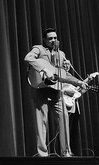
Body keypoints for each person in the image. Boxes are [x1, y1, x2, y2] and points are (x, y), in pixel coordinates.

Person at [24, 28, 87, 157]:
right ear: (44, 40)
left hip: (56, 91)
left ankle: (66, 152)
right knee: (41, 121)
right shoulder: (39, 49)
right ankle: (42, 154)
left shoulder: (61, 54)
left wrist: (78, 82)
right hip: (41, 89)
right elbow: (28, 58)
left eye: (55, 38)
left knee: (64, 117)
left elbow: (64, 75)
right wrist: (44, 69)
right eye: (50, 38)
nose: (53, 40)